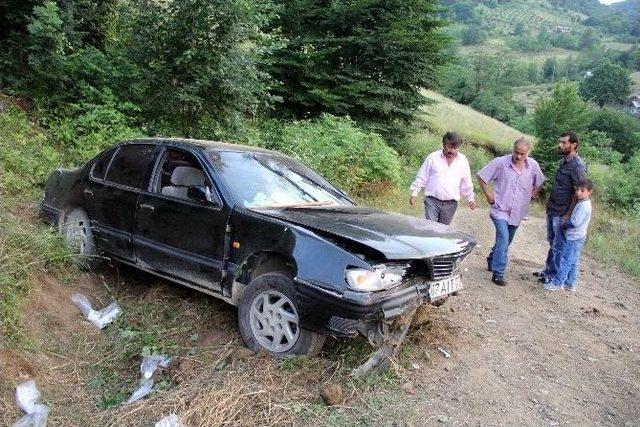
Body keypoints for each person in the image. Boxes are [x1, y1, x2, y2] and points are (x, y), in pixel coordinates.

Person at [477, 138, 545, 286]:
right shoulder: (500, 163)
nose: (518, 156)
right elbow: (482, 176)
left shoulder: (533, 166)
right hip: (500, 209)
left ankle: (492, 259)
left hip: (518, 212)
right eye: (516, 152)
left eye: (522, 153)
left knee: (506, 241)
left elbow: (540, 181)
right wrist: (489, 195)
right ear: (513, 149)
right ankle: (498, 273)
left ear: (528, 152)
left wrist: (534, 192)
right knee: (502, 238)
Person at [537, 131, 588, 285]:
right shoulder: (564, 161)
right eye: (560, 142)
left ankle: (555, 277)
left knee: (559, 245)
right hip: (553, 209)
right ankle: (549, 271)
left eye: (564, 142)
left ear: (574, 145)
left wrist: (568, 214)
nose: (560, 145)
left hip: (562, 212)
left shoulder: (577, 166)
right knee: (553, 242)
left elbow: (579, 193)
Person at [409, 132, 476, 225]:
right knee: (430, 228)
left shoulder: (463, 160)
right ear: (443, 144)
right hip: (432, 201)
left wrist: (471, 199)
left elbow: (466, 181)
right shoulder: (432, 157)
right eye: (449, 147)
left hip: (450, 204)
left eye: (455, 148)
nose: (451, 151)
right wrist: (414, 193)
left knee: (442, 232)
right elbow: (422, 176)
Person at [544, 179, 593, 292]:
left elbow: (575, 222)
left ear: (589, 192)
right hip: (578, 237)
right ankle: (570, 283)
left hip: (575, 237)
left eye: (582, 190)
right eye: (577, 190)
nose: (578, 192)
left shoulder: (583, 206)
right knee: (573, 261)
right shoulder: (582, 203)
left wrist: (565, 224)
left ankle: (557, 283)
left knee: (565, 260)